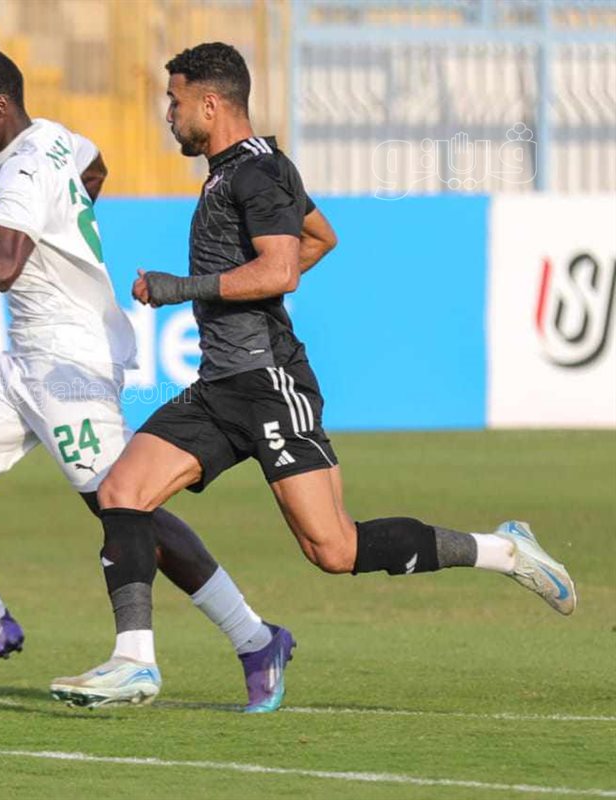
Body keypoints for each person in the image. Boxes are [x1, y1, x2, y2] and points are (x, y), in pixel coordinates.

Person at [58, 42, 577, 694]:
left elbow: (282, 269)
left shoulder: (257, 172)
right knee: (121, 494)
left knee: (335, 550)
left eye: (175, 100)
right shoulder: (238, 170)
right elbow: (320, 238)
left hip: (270, 385)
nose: (169, 114)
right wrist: (238, 291)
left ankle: (503, 550)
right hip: (219, 387)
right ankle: (134, 660)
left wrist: (182, 289)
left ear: (210, 104)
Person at [0, 49, 303, 712]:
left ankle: (254, 639)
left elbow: (2, 267)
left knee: (125, 508)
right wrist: (67, 230)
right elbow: (95, 166)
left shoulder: (23, 170)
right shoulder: (55, 138)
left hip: (70, 363)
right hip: (25, 359)